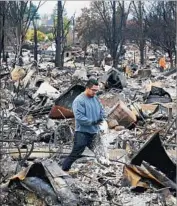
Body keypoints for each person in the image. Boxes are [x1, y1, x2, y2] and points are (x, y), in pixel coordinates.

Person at [62, 78, 107, 172]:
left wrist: (102, 118)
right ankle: (64, 169)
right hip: (82, 132)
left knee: (100, 152)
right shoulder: (79, 101)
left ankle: (105, 170)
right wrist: (93, 122)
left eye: (96, 90)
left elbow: (102, 110)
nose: (95, 92)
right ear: (87, 88)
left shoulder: (95, 98)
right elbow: (79, 117)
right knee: (76, 153)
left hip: (94, 131)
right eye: (93, 90)